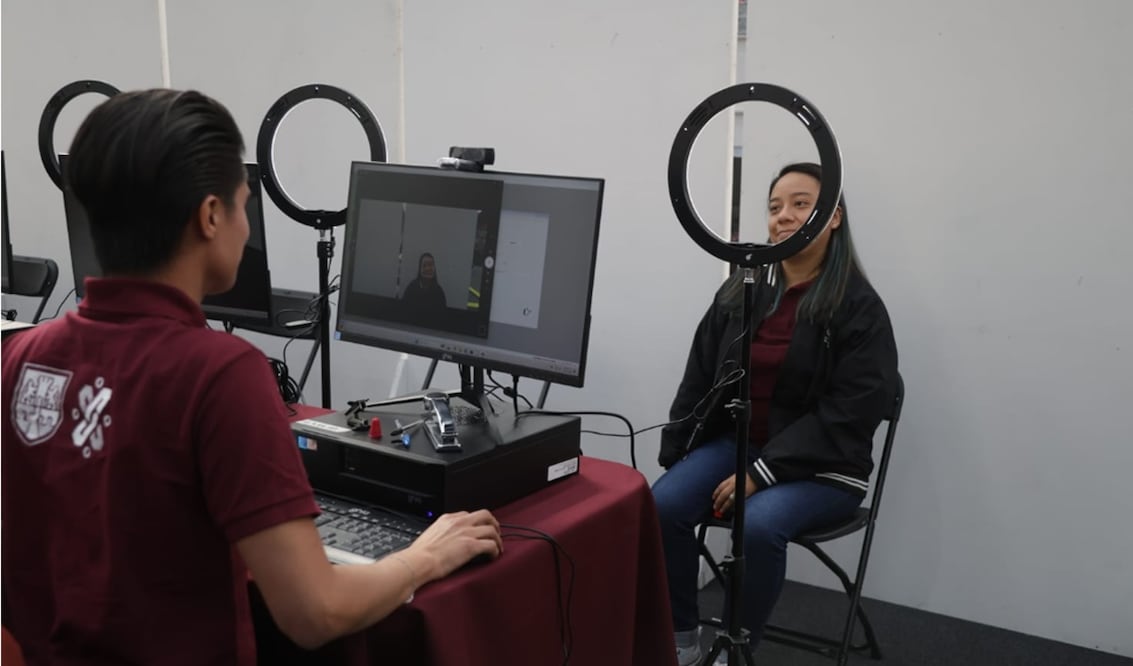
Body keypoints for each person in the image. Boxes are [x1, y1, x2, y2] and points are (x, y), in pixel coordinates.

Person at [0, 89, 502, 666]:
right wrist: (426, 557)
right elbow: (317, 613)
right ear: (211, 217)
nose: (245, 226)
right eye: (242, 204)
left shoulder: (23, 357)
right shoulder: (218, 375)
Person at [652, 162, 899, 665]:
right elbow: (700, 375)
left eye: (801, 203)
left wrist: (761, 474)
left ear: (833, 217)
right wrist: (678, 451)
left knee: (758, 526)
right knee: (663, 505)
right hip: (739, 448)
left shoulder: (859, 308)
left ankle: (736, 649)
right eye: (774, 207)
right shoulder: (743, 290)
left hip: (825, 468)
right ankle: (682, 638)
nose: (784, 216)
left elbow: (850, 413)